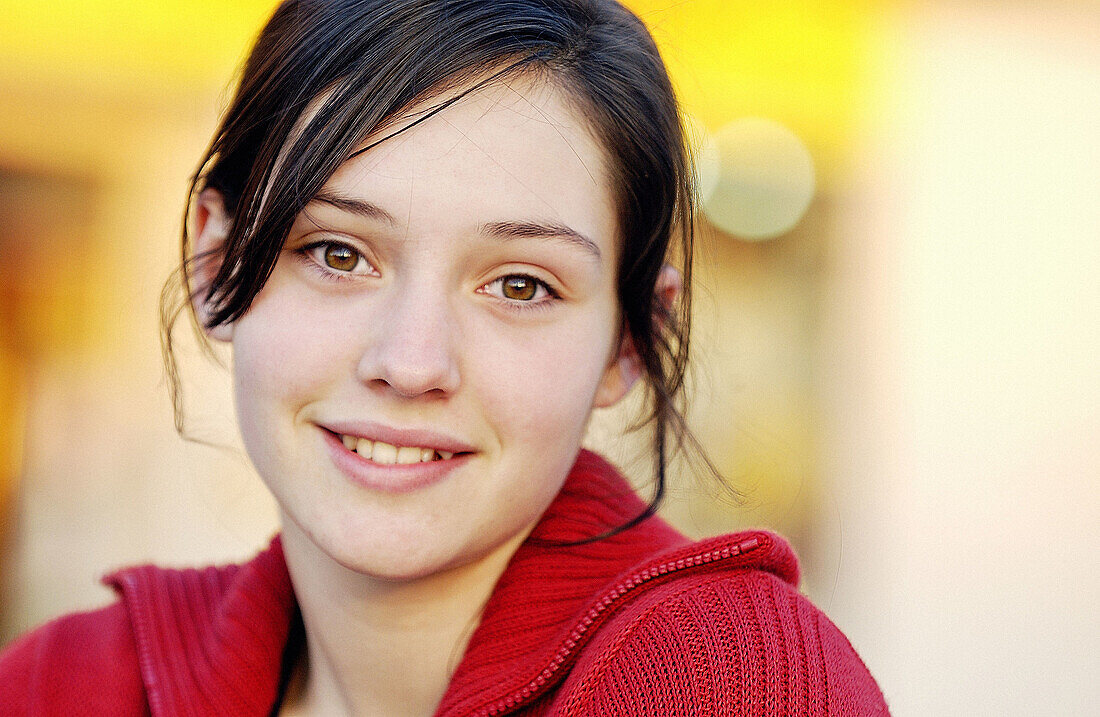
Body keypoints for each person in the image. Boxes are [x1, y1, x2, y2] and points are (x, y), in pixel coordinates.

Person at [0, 0, 888, 714]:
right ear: (213, 260)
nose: (412, 361)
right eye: (339, 253)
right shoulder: (69, 684)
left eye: (519, 285)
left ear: (629, 337)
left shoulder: (739, 684)